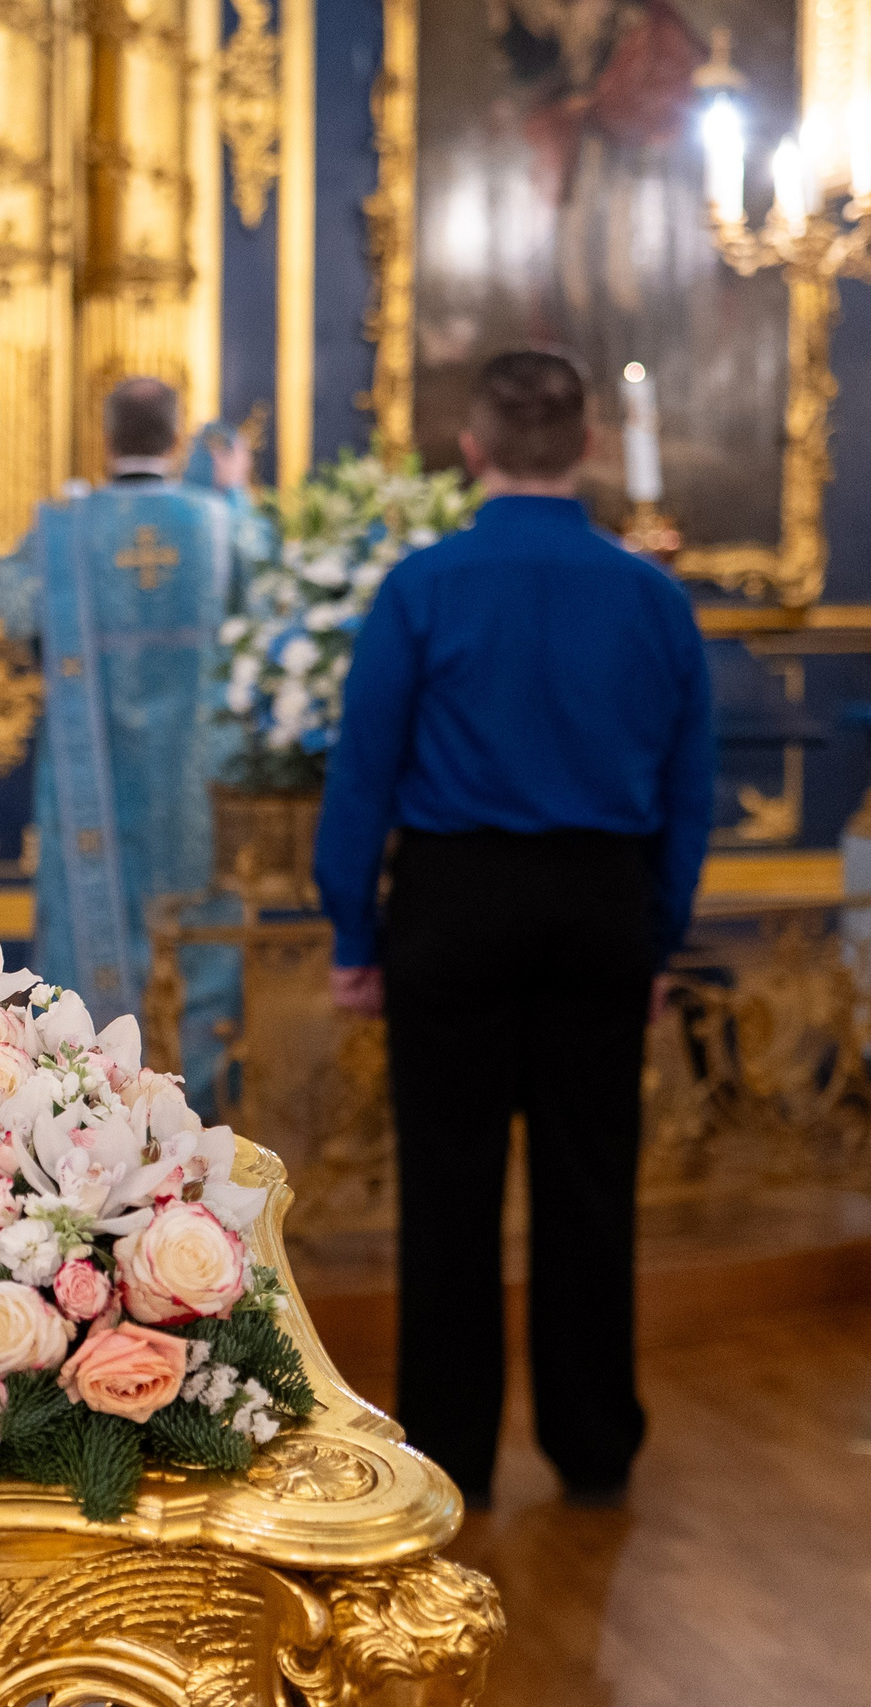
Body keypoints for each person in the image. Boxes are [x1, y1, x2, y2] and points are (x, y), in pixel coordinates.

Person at [313, 348, 714, 1510]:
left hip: (453, 903)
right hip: (601, 908)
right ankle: (594, 1443)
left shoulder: (423, 586)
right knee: (593, 1183)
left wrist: (353, 931)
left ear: (473, 449)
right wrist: (656, 935)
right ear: (585, 446)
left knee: (449, 1185)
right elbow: (689, 795)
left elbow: (362, 778)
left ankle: (449, 1452)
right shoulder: (652, 595)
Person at [0, 378, 242, 1109]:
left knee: (88, 921)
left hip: (89, 773)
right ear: (174, 437)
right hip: (196, 777)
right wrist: (231, 489)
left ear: (106, 439)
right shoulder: (218, 523)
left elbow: (12, 600)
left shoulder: (66, 528)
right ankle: (199, 1105)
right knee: (194, 919)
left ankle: (87, 1104)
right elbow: (265, 600)